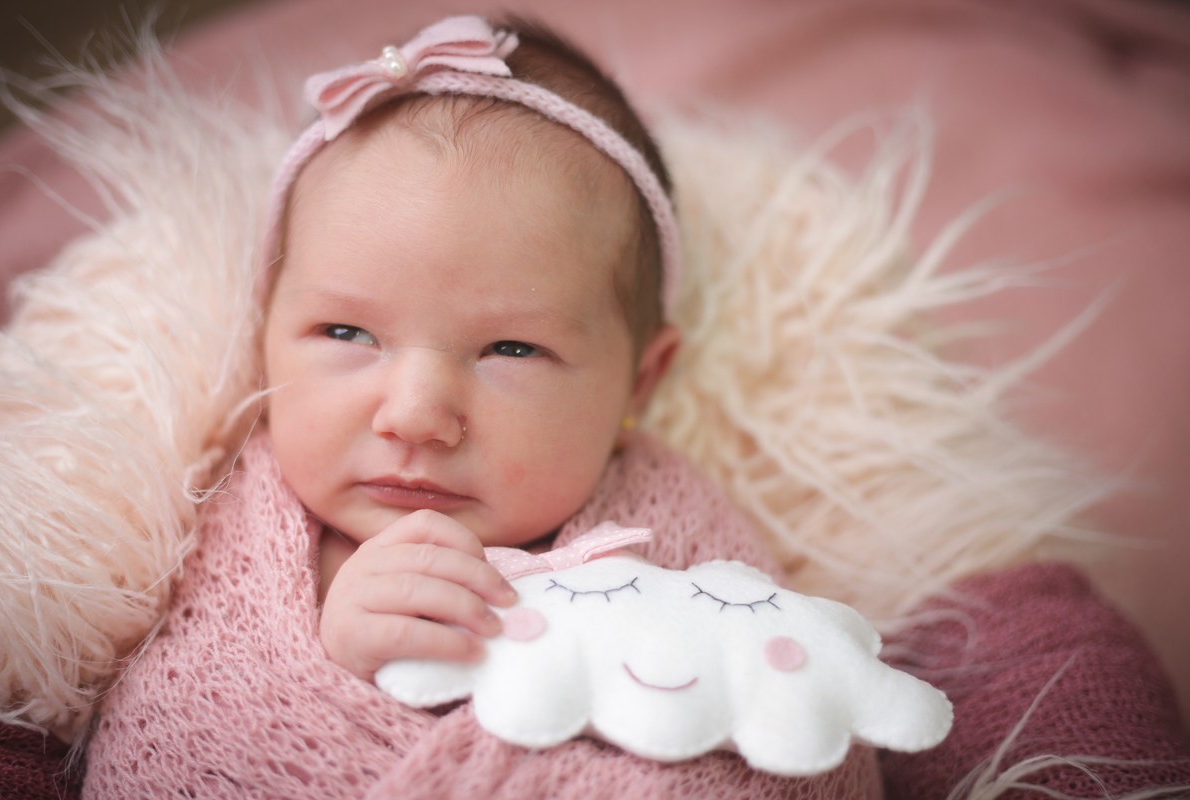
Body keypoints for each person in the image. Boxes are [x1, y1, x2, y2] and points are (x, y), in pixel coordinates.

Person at [78, 15, 883, 799]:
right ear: (266, 330)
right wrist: (339, 653)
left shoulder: (677, 538)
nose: (415, 416)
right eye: (347, 333)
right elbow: (182, 731)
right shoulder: (220, 521)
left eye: (511, 349)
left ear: (639, 383)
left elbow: (791, 720)